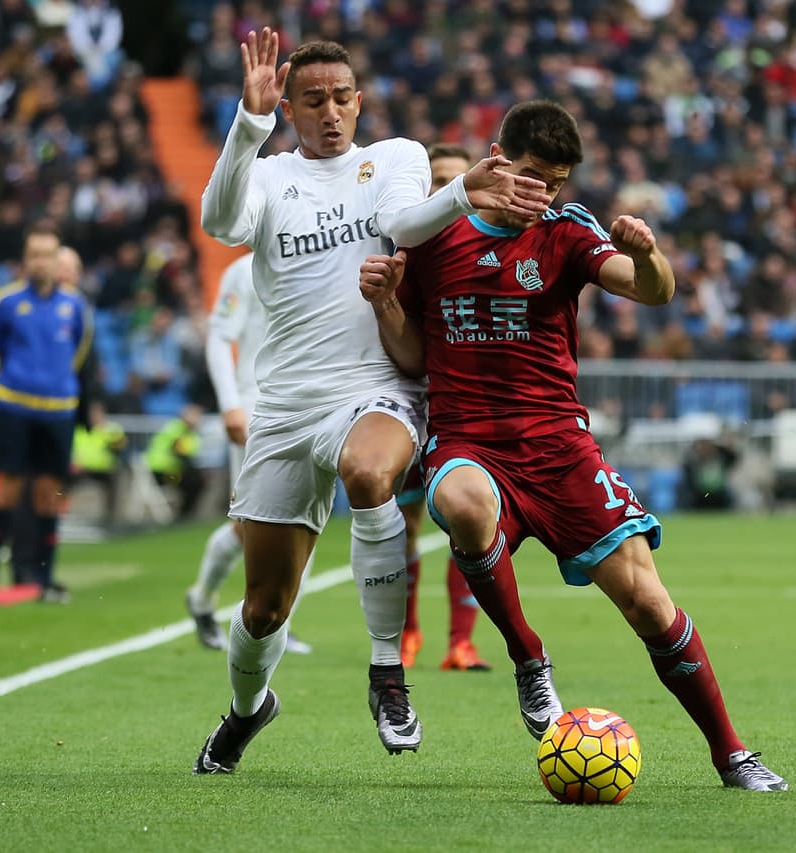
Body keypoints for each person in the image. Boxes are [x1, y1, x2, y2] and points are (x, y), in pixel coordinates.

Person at [361, 100, 788, 791]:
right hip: (469, 441)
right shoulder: (432, 236)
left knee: (650, 604)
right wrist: (385, 303)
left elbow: (651, 291)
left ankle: (731, 753)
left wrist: (647, 253)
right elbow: (412, 359)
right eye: (534, 177)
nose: (545, 194)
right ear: (496, 157)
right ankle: (529, 656)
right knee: (466, 506)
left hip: (560, 448)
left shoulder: (565, 230)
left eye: (556, 182)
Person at [192, 29, 549, 773]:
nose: (330, 112)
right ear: (288, 106)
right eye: (313, 100)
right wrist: (246, 126)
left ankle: (387, 672)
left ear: (360, 102)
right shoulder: (267, 175)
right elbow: (221, 223)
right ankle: (247, 711)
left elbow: (403, 224)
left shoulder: (395, 158)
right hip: (285, 405)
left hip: (374, 386)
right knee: (263, 608)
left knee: (369, 474)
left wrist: (461, 191)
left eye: (342, 98)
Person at [186, 252, 313, 655]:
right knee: (249, 525)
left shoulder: (318, 260)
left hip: (310, 408)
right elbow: (221, 337)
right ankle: (203, 599)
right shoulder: (243, 271)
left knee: (306, 522)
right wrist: (229, 404)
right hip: (256, 410)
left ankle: (281, 619)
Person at [397, 142, 489, 673]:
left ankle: (461, 643)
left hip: (465, 413)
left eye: (458, 179)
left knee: (468, 526)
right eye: (438, 180)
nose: (448, 190)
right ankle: (406, 633)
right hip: (413, 404)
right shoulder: (408, 251)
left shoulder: (491, 250)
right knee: (403, 525)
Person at [0, 224, 92, 604]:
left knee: (48, 493)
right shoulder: (5, 302)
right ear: (25, 260)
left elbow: (77, 352)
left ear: (58, 259)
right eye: (35, 254)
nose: (42, 261)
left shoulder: (74, 306)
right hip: (15, 406)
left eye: (48, 254)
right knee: (7, 488)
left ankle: (45, 580)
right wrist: (4, 389)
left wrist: (56, 384)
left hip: (57, 409)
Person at [71, 401, 127, 528]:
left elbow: (120, 448)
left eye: (97, 414)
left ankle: (111, 517)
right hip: (82, 469)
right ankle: (60, 512)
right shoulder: (80, 429)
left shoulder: (112, 429)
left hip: (104, 469)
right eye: (92, 414)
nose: (94, 417)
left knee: (116, 479)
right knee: (62, 480)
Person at [145, 404, 206, 520]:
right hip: (163, 471)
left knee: (196, 482)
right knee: (194, 482)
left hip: (170, 470)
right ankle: (184, 515)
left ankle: (185, 513)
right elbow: (181, 454)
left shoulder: (186, 431)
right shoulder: (177, 429)